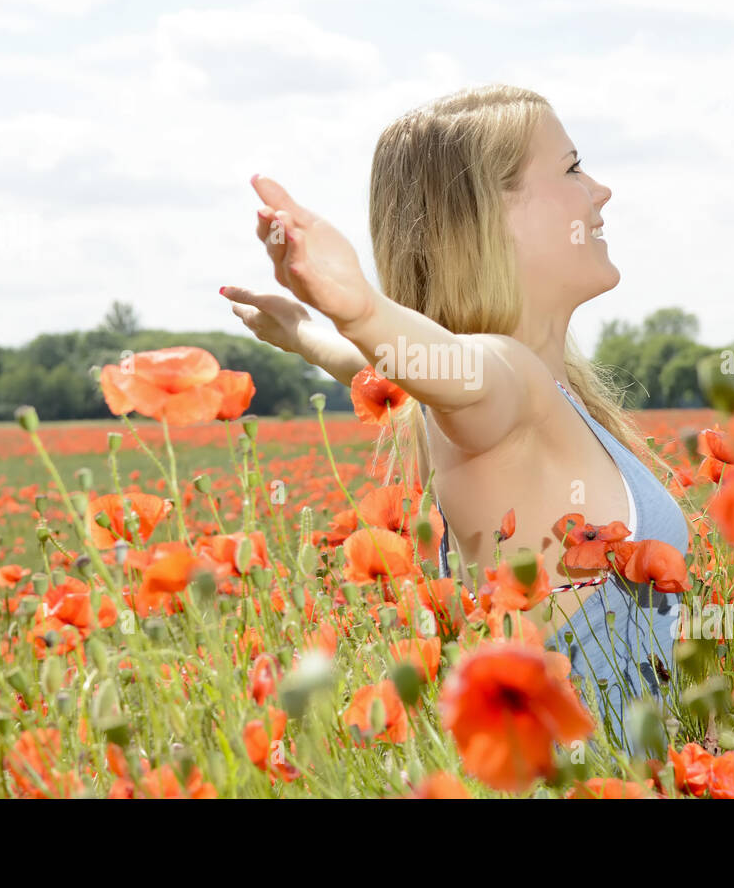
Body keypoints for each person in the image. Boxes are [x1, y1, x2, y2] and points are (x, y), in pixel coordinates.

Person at [222, 83, 697, 757]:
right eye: (570, 168)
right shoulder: (504, 382)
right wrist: (359, 311)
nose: (600, 190)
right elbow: (451, 372)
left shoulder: (533, 397)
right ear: (485, 215)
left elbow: (400, 378)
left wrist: (309, 335)